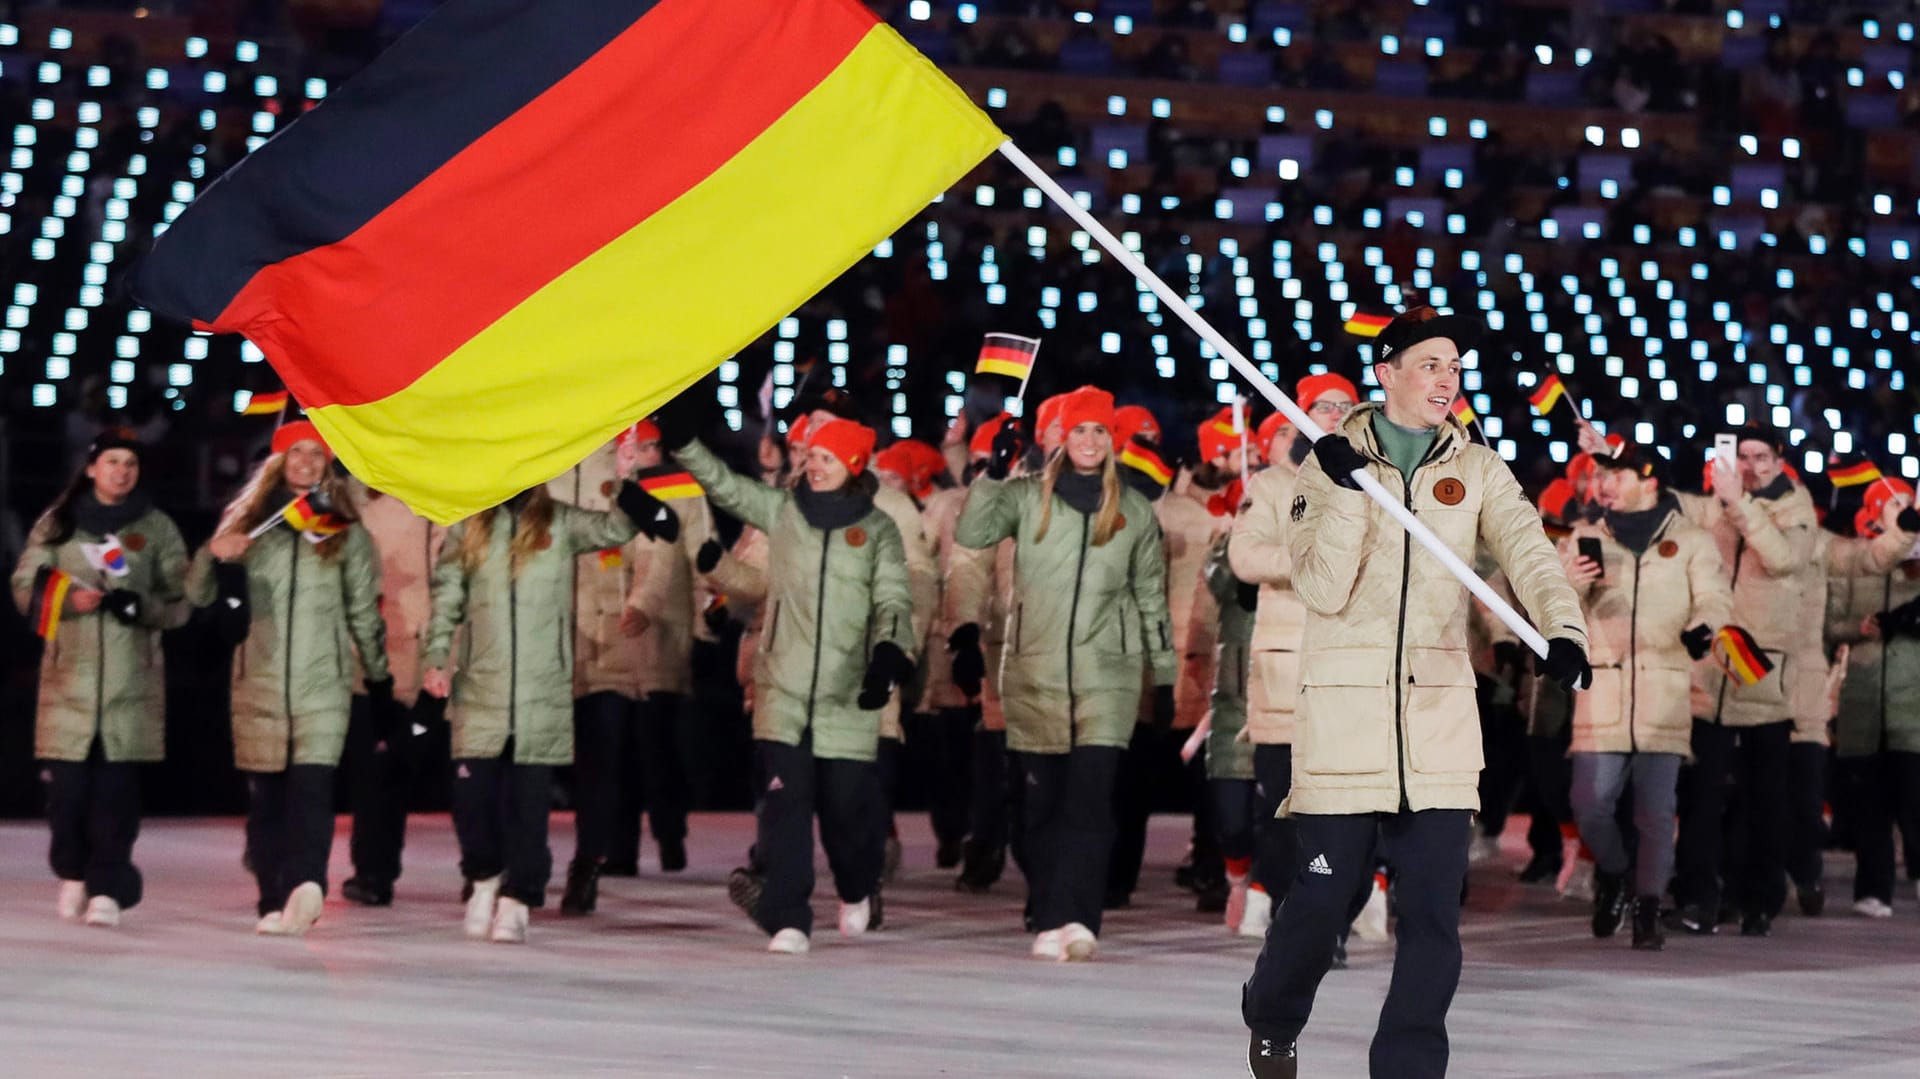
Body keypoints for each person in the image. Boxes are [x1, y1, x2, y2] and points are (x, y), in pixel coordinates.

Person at [1242, 308, 1589, 1079]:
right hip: (1346, 721)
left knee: (1432, 918)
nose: (1448, 379)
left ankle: (1407, 1068)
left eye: (1455, 367)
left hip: (1435, 724)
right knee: (1323, 904)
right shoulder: (1327, 464)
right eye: (1430, 363)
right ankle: (1272, 1010)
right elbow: (1323, 589)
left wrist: (1563, 629)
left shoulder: (1478, 467)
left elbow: (1532, 555)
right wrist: (1342, 493)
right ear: (1387, 371)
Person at [662, 408, 915, 956]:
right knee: (786, 808)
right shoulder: (782, 512)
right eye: (812, 458)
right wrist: (686, 443)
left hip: (849, 693)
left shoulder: (877, 531)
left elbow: (894, 599)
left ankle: (854, 888)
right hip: (784, 688)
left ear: (852, 464)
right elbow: (727, 488)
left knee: (847, 814)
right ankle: (788, 915)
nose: (814, 467)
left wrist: (890, 654)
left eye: (826, 458)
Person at [954, 386, 1177, 961]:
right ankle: (1050, 911)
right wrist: (993, 472)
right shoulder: (1026, 498)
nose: (1089, 440)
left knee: (1091, 802)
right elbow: (972, 533)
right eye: (1079, 430)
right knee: (1042, 806)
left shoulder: (1133, 509)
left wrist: (1165, 674)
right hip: (1034, 672)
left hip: (1111, 674)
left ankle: (1079, 918)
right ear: (1060, 437)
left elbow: (1151, 595)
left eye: (1099, 430)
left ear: (1112, 440)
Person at [421, 475, 666, 944]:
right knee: (471, 800)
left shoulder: (560, 521)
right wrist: (436, 657)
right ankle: (484, 874)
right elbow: (447, 595)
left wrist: (627, 480)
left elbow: (616, 529)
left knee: (529, 804)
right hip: (482, 684)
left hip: (542, 687)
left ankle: (519, 897)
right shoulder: (468, 524)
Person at [187, 421, 391, 936]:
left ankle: (306, 885)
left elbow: (364, 613)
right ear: (278, 460)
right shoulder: (248, 524)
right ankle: (272, 895)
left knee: (313, 792)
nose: (305, 462)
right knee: (268, 798)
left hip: (323, 684)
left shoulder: (345, 532)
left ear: (327, 465)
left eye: (316, 455)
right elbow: (196, 596)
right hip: (258, 681)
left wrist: (379, 677)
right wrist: (212, 555)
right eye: (295, 452)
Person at [12, 430, 188, 929]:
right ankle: (72, 869)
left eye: (130, 463)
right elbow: (25, 584)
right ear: (91, 468)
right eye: (112, 461)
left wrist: (143, 606)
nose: (122, 471)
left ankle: (108, 888)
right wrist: (68, 600)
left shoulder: (155, 528)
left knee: (116, 799)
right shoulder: (59, 524)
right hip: (70, 683)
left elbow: (182, 598)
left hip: (130, 688)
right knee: (67, 797)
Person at [1560, 447, 1730, 951]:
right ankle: (1614, 872)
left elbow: (1715, 598)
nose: (1604, 483)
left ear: (1650, 481)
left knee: (1656, 812)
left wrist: (1706, 628)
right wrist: (1569, 586)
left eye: (1617, 474)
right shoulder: (1586, 536)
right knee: (1588, 803)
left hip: (1665, 686)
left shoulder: (1691, 540)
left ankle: (1648, 904)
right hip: (1604, 687)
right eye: (1600, 475)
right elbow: (1555, 604)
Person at [556, 420, 714, 914]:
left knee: (632, 751)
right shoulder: (556, 470)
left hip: (632, 637)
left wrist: (648, 602)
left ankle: (632, 845)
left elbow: (665, 546)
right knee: (582, 758)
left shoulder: (652, 481)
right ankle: (577, 858)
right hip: (571, 639)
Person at [1669, 424, 1817, 938]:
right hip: (1711, 677)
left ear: (1778, 461)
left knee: (1763, 800)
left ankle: (1759, 899)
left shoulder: (1797, 509)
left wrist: (1739, 504)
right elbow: (1674, 506)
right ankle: (1698, 897)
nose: (1749, 465)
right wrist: (1615, 457)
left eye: (1759, 456)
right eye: (1741, 456)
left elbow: (1781, 558)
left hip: (1761, 678)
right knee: (1702, 798)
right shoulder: (1718, 505)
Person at [1227, 377, 1358, 940]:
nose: (1334, 414)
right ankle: (1275, 894)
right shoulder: (1273, 483)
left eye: (1345, 407)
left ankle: (1331, 910)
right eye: (1323, 406)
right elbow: (1245, 556)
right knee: (1281, 802)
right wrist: (1311, 561)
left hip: (1349, 669)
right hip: (1286, 670)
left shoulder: (1369, 482)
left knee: (1341, 806)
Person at [340, 475, 446, 907]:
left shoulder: (429, 492)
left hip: (412, 651)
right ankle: (371, 870)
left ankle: (485, 867)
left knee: (392, 767)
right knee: (373, 769)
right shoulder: (343, 493)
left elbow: (447, 571)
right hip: (353, 651)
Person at [1823, 479, 1920, 917]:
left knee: (1914, 797)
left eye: (1907, 503)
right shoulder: (1855, 560)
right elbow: (1831, 622)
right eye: (1893, 504)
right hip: (1863, 699)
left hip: (1912, 702)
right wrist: (1856, 629)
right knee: (1871, 803)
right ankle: (1873, 888)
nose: (1902, 509)